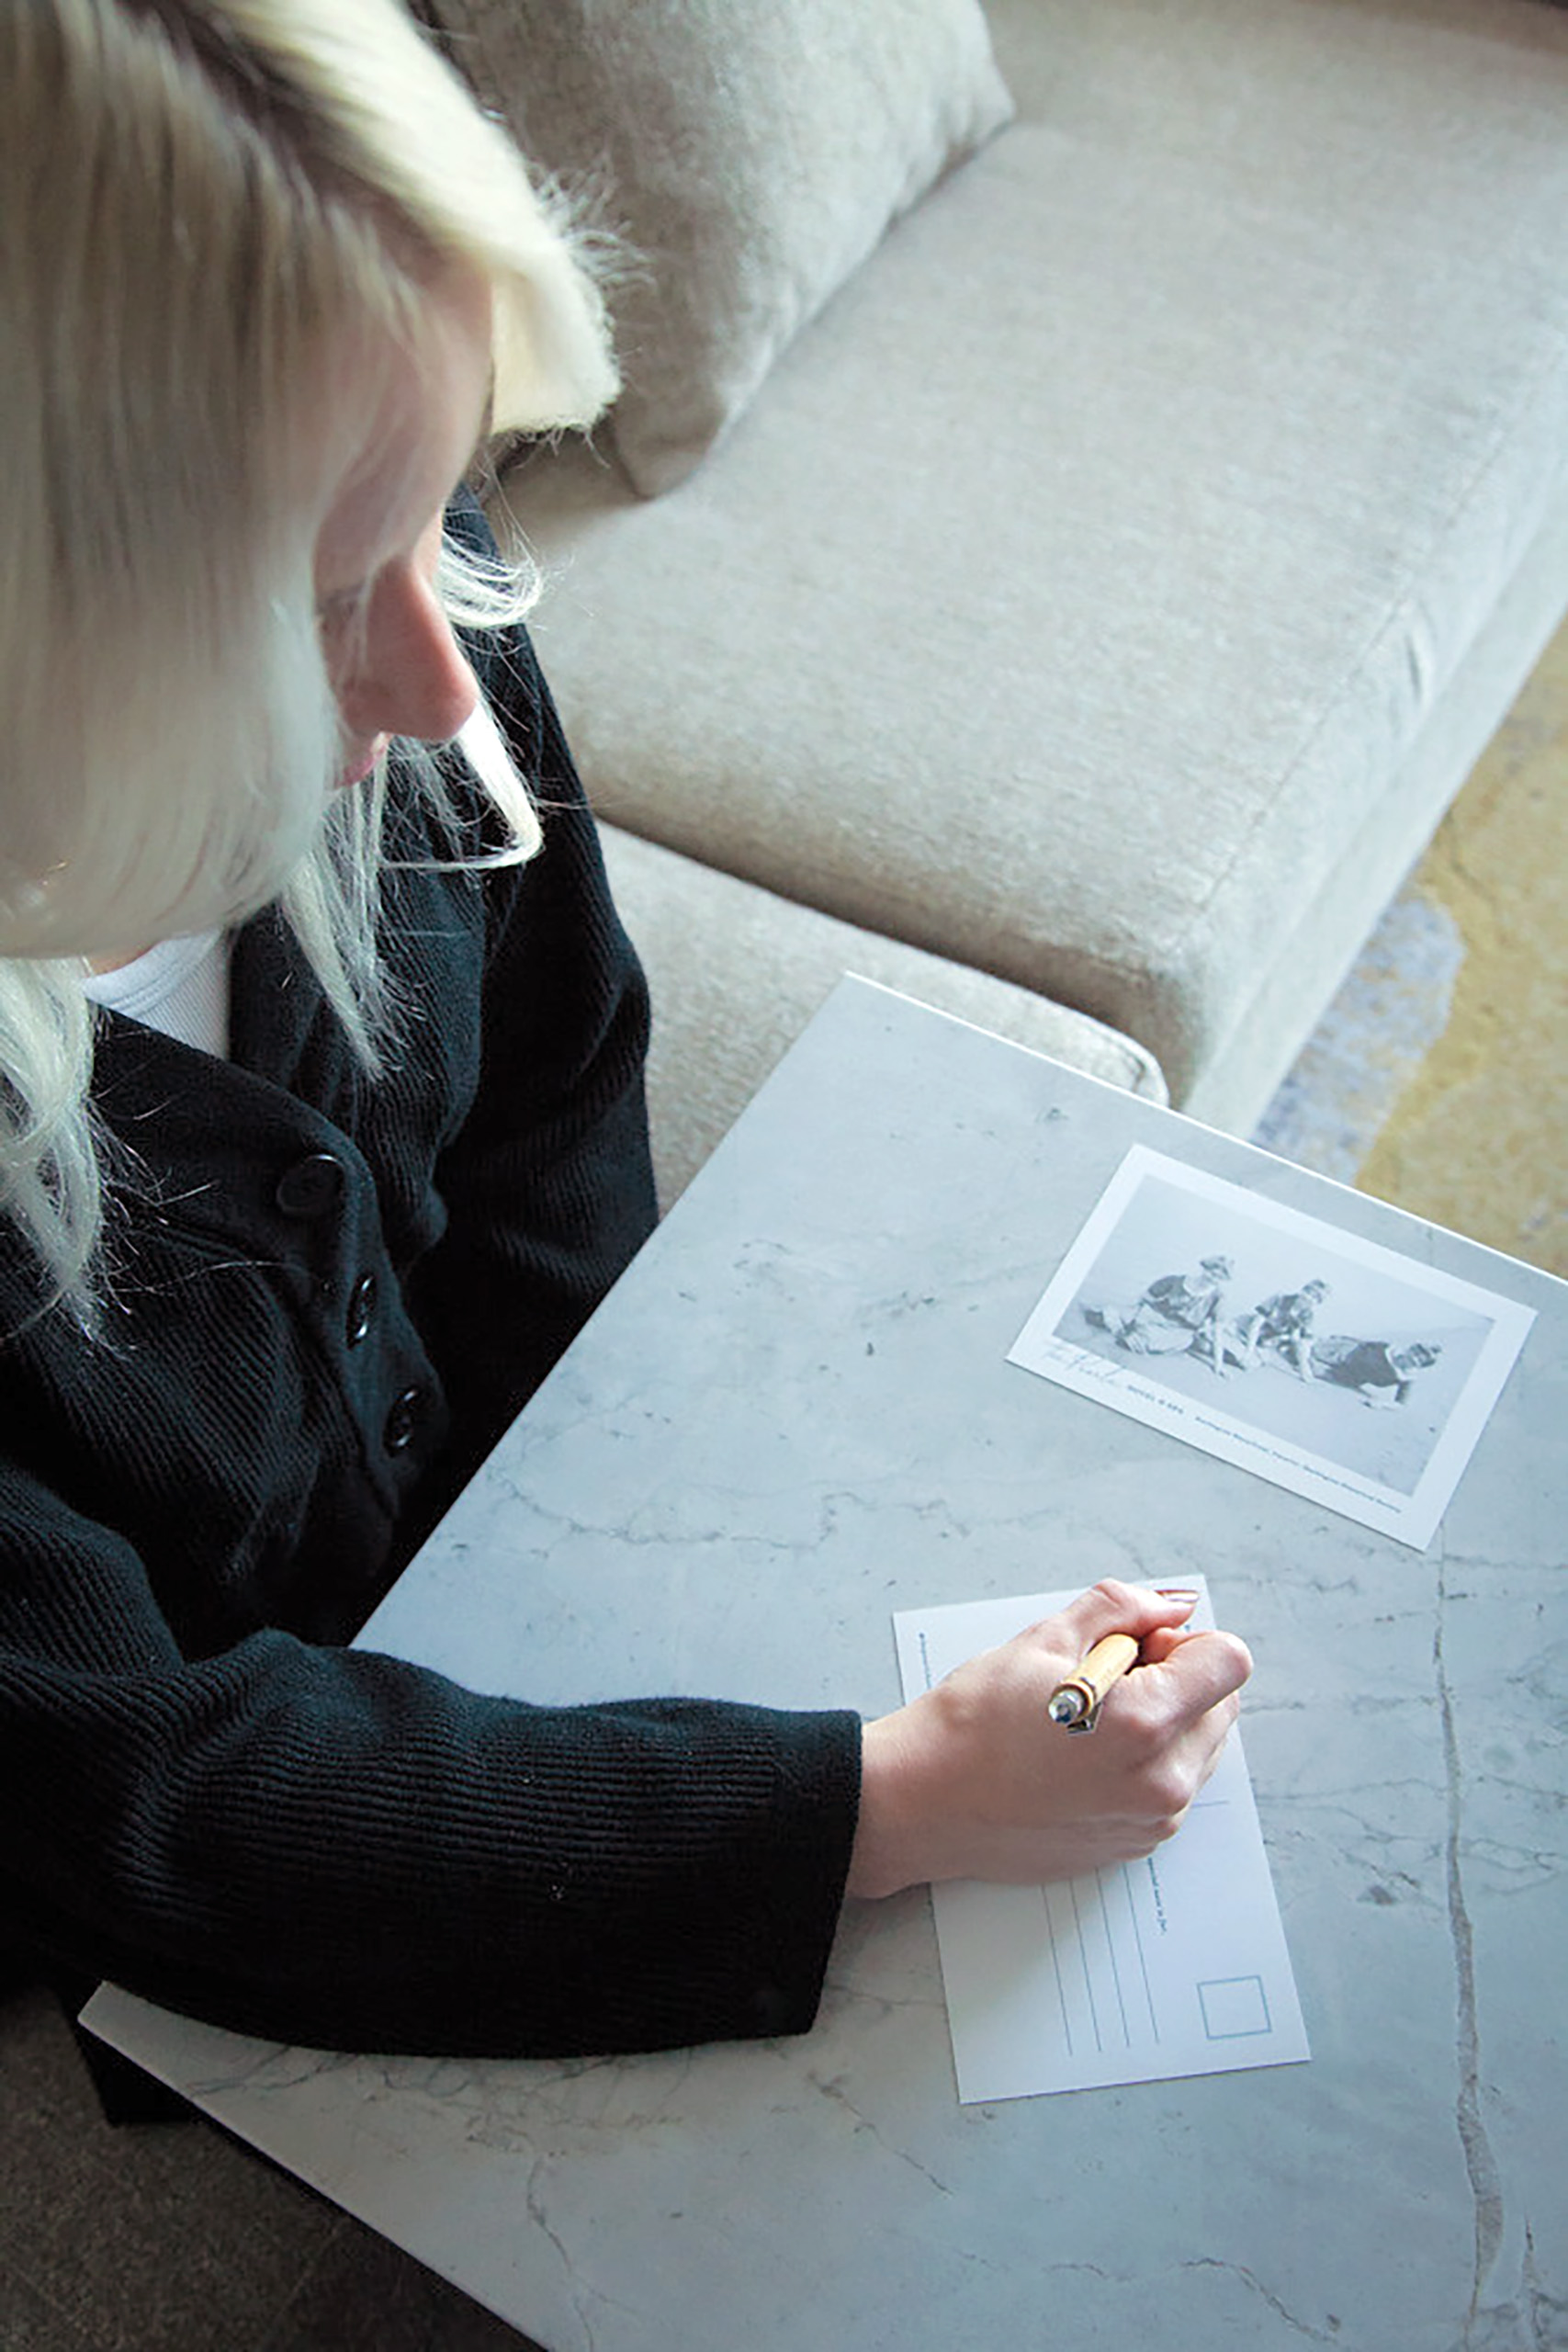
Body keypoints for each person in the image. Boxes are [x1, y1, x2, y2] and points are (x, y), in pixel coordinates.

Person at [0, 0, 1251, 2075]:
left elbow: (553, 1091)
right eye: (314, 597)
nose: (437, 670)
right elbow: (159, 1807)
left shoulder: (421, 618)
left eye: (448, 493)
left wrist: (616, 1520)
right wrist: (881, 1801)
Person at [1100, 1255, 1235, 1373]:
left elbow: (1218, 1331)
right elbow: (1143, 1299)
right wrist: (1131, 1317)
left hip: (1179, 1330)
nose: (1212, 1278)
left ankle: (1134, 1338)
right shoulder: (1176, 1281)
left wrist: (1218, 1366)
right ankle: (1124, 1331)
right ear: (1205, 1269)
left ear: (1223, 1280)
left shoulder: (1218, 1298)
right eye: (1211, 1272)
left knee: (1155, 1340)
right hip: (1153, 1316)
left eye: (1218, 1277)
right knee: (1114, 1313)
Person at [1217, 1278, 1329, 1378]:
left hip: (1263, 1341)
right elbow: (1256, 1324)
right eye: (1308, 1292)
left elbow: (1302, 1343)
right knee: (1224, 1343)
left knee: (1251, 1364)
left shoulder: (1307, 1316)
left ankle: (1229, 1352)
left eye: (1314, 1298)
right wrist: (1248, 1351)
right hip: (1243, 1329)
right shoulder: (1280, 1299)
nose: (1308, 1298)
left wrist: (1304, 1367)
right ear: (1302, 1290)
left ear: (1317, 1303)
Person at [1306, 1335, 1442, 1408]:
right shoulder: (1387, 1348)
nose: (1413, 1357)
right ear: (1410, 1349)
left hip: (1345, 1376)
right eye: (1415, 1352)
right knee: (1307, 1349)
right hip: (1343, 1351)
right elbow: (1363, 1344)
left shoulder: (1406, 1378)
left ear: (1421, 1365)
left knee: (1312, 1368)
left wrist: (1381, 1404)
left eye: (1420, 1359)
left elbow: (1400, 1404)